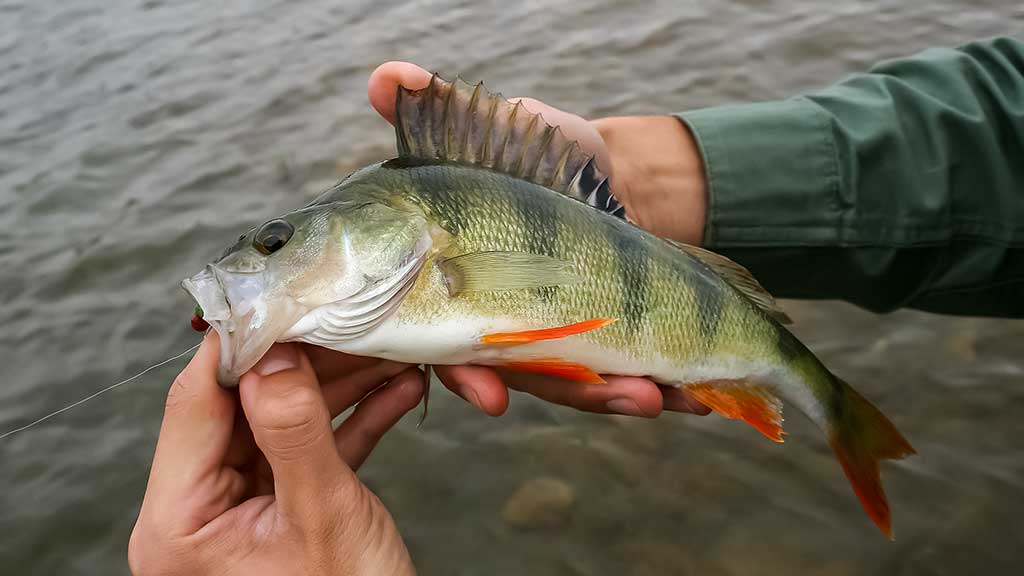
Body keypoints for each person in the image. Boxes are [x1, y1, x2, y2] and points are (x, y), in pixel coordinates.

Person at [130, 37, 1023, 574]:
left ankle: (817, 399)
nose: (253, 263)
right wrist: (627, 179)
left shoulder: (426, 239)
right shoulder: (405, 263)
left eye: (278, 242)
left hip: (672, 296)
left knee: (704, 364)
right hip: (602, 266)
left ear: (382, 228)